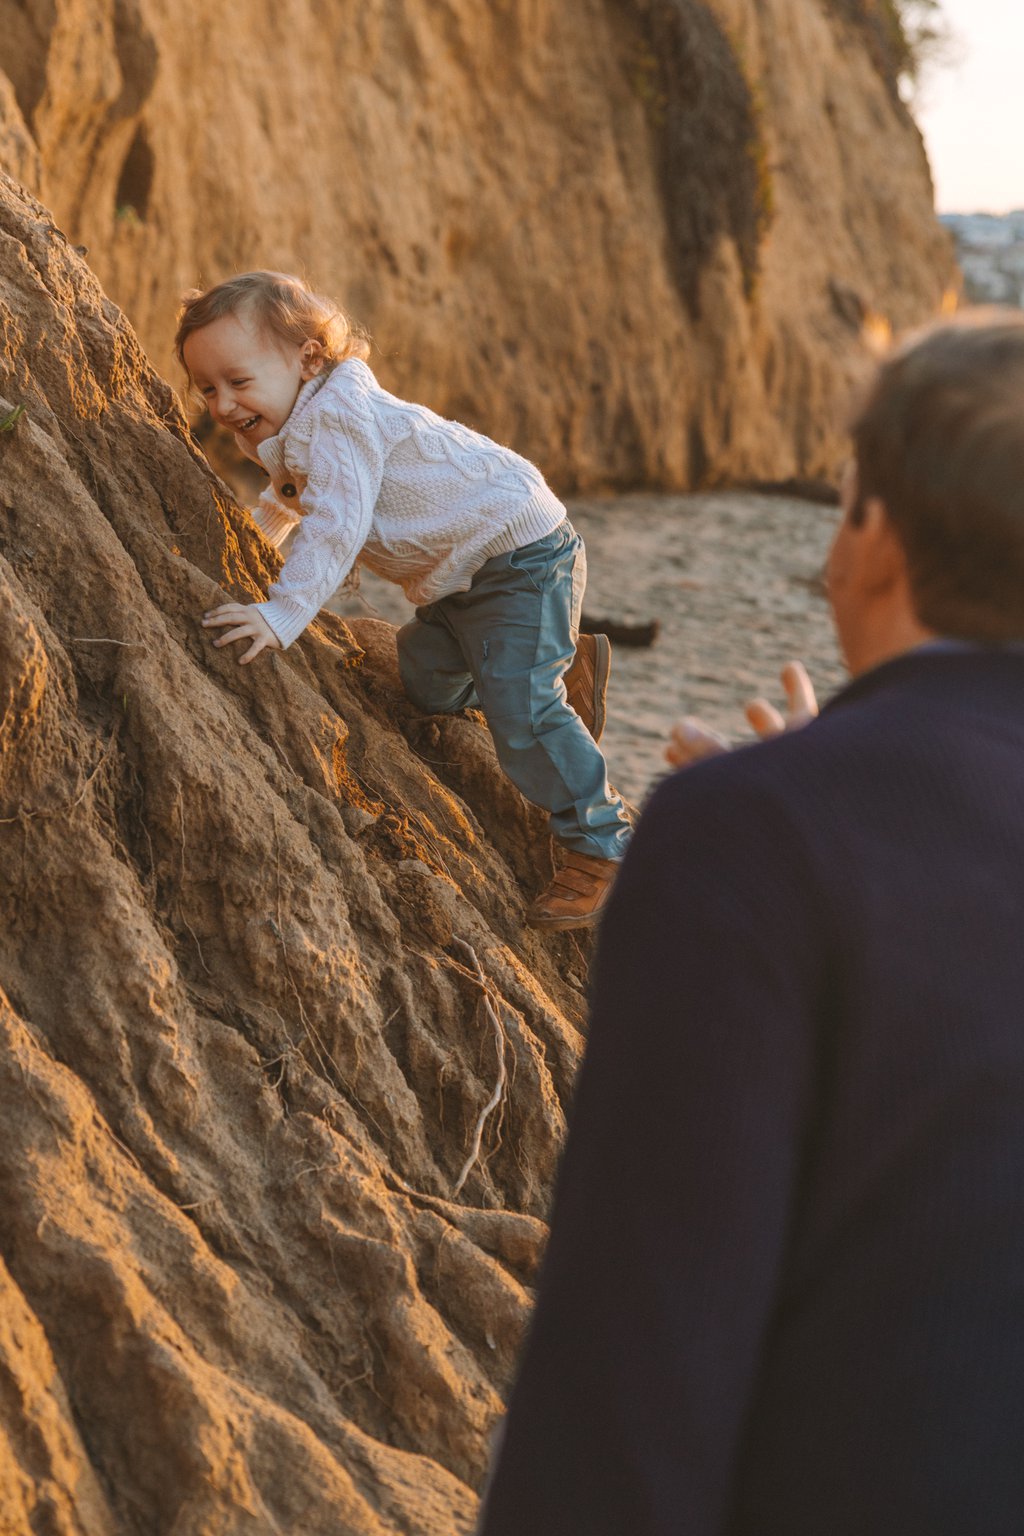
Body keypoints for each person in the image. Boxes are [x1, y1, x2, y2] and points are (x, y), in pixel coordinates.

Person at [478, 311, 1024, 1535]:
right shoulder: (795, 830)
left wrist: (776, 824)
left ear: (871, 535)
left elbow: (637, 1366)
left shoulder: (752, 839)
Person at [174, 270, 631, 929]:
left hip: (518, 550)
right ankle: (557, 669)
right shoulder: (284, 416)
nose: (221, 404)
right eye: (206, 387)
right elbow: (295, 492)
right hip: (461, 575)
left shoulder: (338, 415)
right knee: (426, 680)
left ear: (308, 358)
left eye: (238, 382)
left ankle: (601, 844)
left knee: (521, 711)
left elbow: (338, 521)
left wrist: (282, 614)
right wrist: (258, 536)